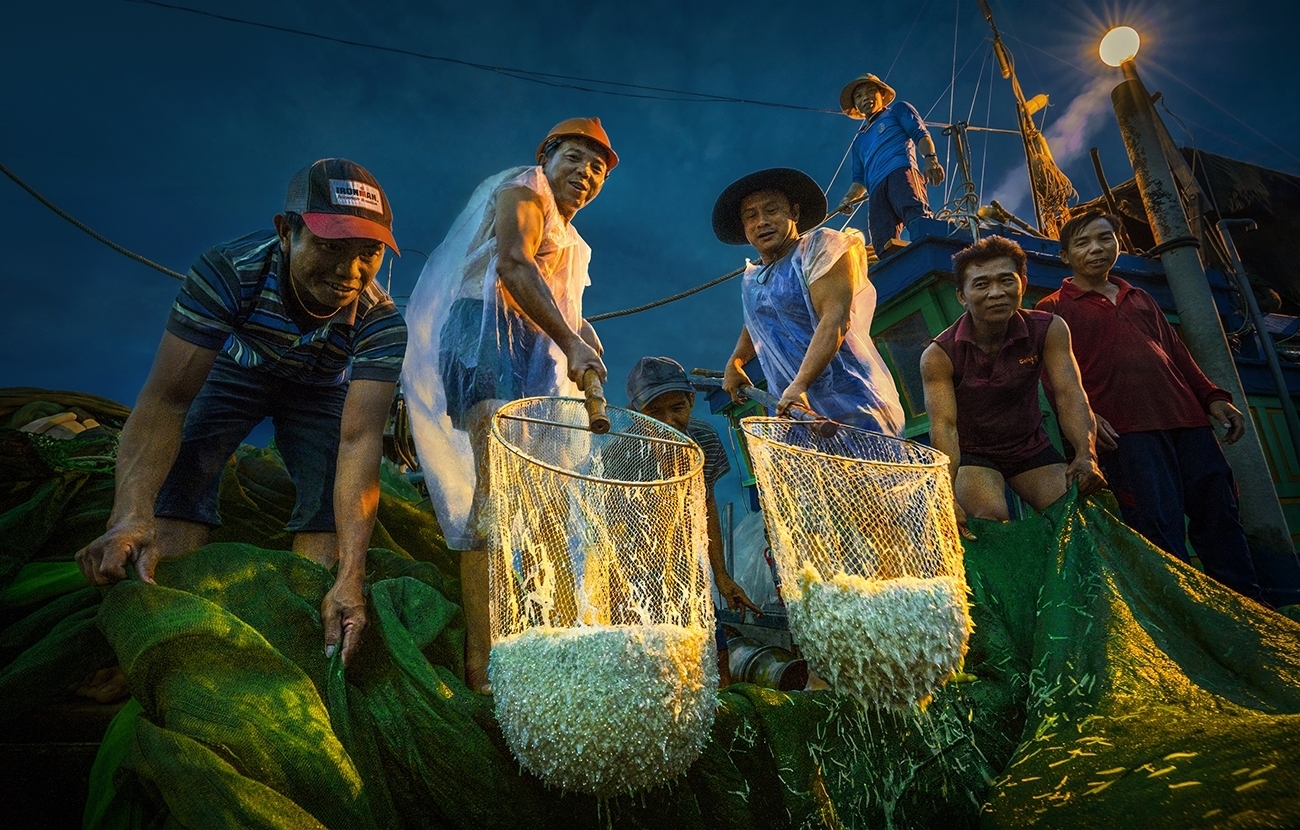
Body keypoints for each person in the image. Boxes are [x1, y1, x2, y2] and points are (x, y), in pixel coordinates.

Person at [75, 158, 406, 667]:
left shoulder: (381, 320)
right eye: (330, 247)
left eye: (368, 253)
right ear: (285, 231)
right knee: (187, 468)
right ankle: (164, 638)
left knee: (327, 485)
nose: (349, 271)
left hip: (320, 388)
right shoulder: (229, 270)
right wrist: (128, 517)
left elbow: (358, 442)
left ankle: (305, 643)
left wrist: (351, 577)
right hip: (240, 368)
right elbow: (167, 400)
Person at [402, 118, 616, 693]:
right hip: (481, 337)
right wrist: (570, 341)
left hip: (528, 350)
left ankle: (538, 636)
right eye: (574, 158)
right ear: (547, 157)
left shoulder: (572, 240)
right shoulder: (526, 189)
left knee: (543, 502)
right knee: (496, 496)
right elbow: (514, 264)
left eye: (596, 169)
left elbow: (555, 301)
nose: (585, 174)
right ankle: (484, 665)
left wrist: (581, 336)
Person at [1036, 210, 1264, 601]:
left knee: (1220, 515)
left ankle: (1247, 604)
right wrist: (1088, 418)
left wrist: (1213, 398)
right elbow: (1054, 379)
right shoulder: (1053, 307)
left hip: (1188, 421)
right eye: (1083, 243)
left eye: (1105, 238)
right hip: (1125, 432)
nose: (1097, 249)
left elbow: (1176, 354)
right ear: (1065, 256)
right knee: (1157, 525)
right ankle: (1182, 614)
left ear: (1117, 244)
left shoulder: (1139, 297)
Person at [920, 235, 1105, 539]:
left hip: (1029, 445)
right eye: (981, 284)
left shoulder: (1049, 329)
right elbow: (944, 425)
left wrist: (1087, 454)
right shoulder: (939, 355)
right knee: (987, 522)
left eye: (1006, 280)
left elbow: (1070, 394)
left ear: (1022, 283)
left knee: (1076, 514)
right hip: (972, 453)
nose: (996, 292)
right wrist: (945, 495)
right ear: (962, 296)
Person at [714, 167, 905, 435]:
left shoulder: (821, 247)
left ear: (794, 213)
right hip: (793, 413)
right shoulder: (753, 280)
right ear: (744, 228)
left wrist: (800, 384)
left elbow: (835, 319)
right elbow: (757, 322)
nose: (762, 222)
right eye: (751, 216)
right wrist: (734, 363)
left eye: (772, 211)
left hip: (852, 402)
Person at [625, 357, 760, 684]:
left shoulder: (704, 440)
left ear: (691, 401)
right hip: (635, 568)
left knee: (715, 658)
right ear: (635, 415)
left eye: (676, 408)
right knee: (652, 665)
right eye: (654, 413)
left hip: (689, 566)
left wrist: (721, 576)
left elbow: (707, 504)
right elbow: (614, 534)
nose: (668, 421)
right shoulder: (621, 453)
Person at [833, 73, 945, 251]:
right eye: (859, 96)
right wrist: (848, 198)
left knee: (916, 214)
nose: (866, 98)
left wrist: (931, 159)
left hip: (900, 173)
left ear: (881, 95)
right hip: (876, 190)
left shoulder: (897, 111)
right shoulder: (858, 141)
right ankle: (897, 273)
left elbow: (920, 134)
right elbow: (859, 180)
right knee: (881, 240)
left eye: (871, 91)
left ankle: (932, 252)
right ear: (856, 105)